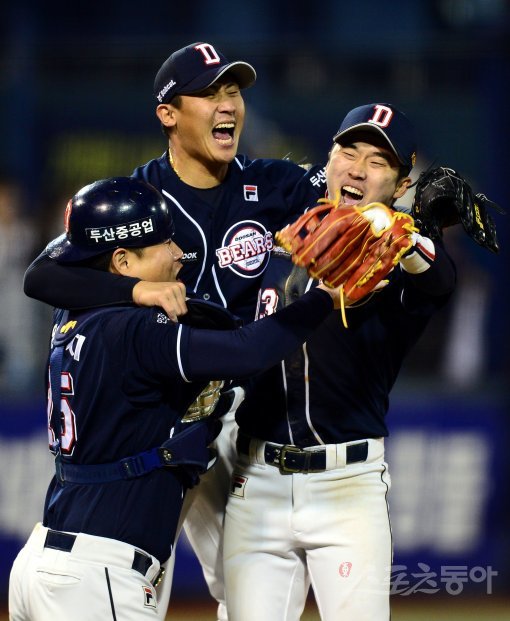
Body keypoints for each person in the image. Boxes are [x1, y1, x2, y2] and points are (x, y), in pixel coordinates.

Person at [22, 42, 327, 620]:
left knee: (257, 590)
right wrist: (132, 289)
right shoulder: (137, 200)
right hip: (160, 414)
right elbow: (42, 276)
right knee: (133, 567)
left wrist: (413, 198)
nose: (228, 105)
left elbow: (354, 195)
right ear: (168, 113)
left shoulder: (274, 182)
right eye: (210, 93)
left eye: (233, 91)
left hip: (242, 414)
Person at [222, 103, 457, 621]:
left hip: (347, 489)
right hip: (255, 479)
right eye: (347, 151)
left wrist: (407, 234)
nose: (356, 168)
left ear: (400, 184)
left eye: (377, 161)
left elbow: (439, 279)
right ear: (327, 157)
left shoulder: (400, 260)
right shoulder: (278, 226)